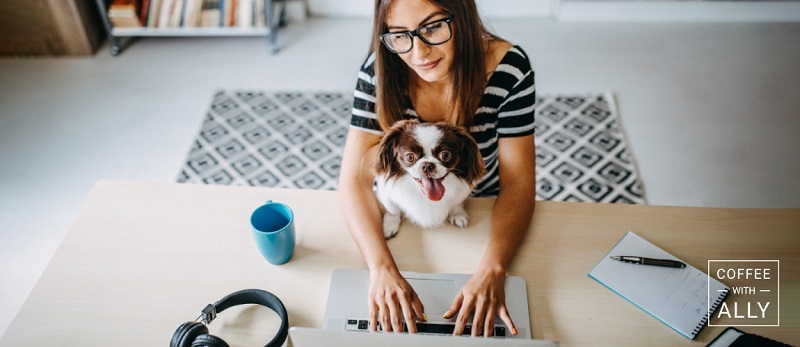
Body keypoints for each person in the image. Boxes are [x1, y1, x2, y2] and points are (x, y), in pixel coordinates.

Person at [338, 0, 537, 338]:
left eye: (432, 27)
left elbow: (517, 183)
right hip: (402, 212)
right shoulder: (379, 70)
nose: (419, 52)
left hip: (480, 210)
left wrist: (493, 270)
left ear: (462, 16)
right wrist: (381, 269)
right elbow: (354, 180)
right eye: (400, 35)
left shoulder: (509, 70)